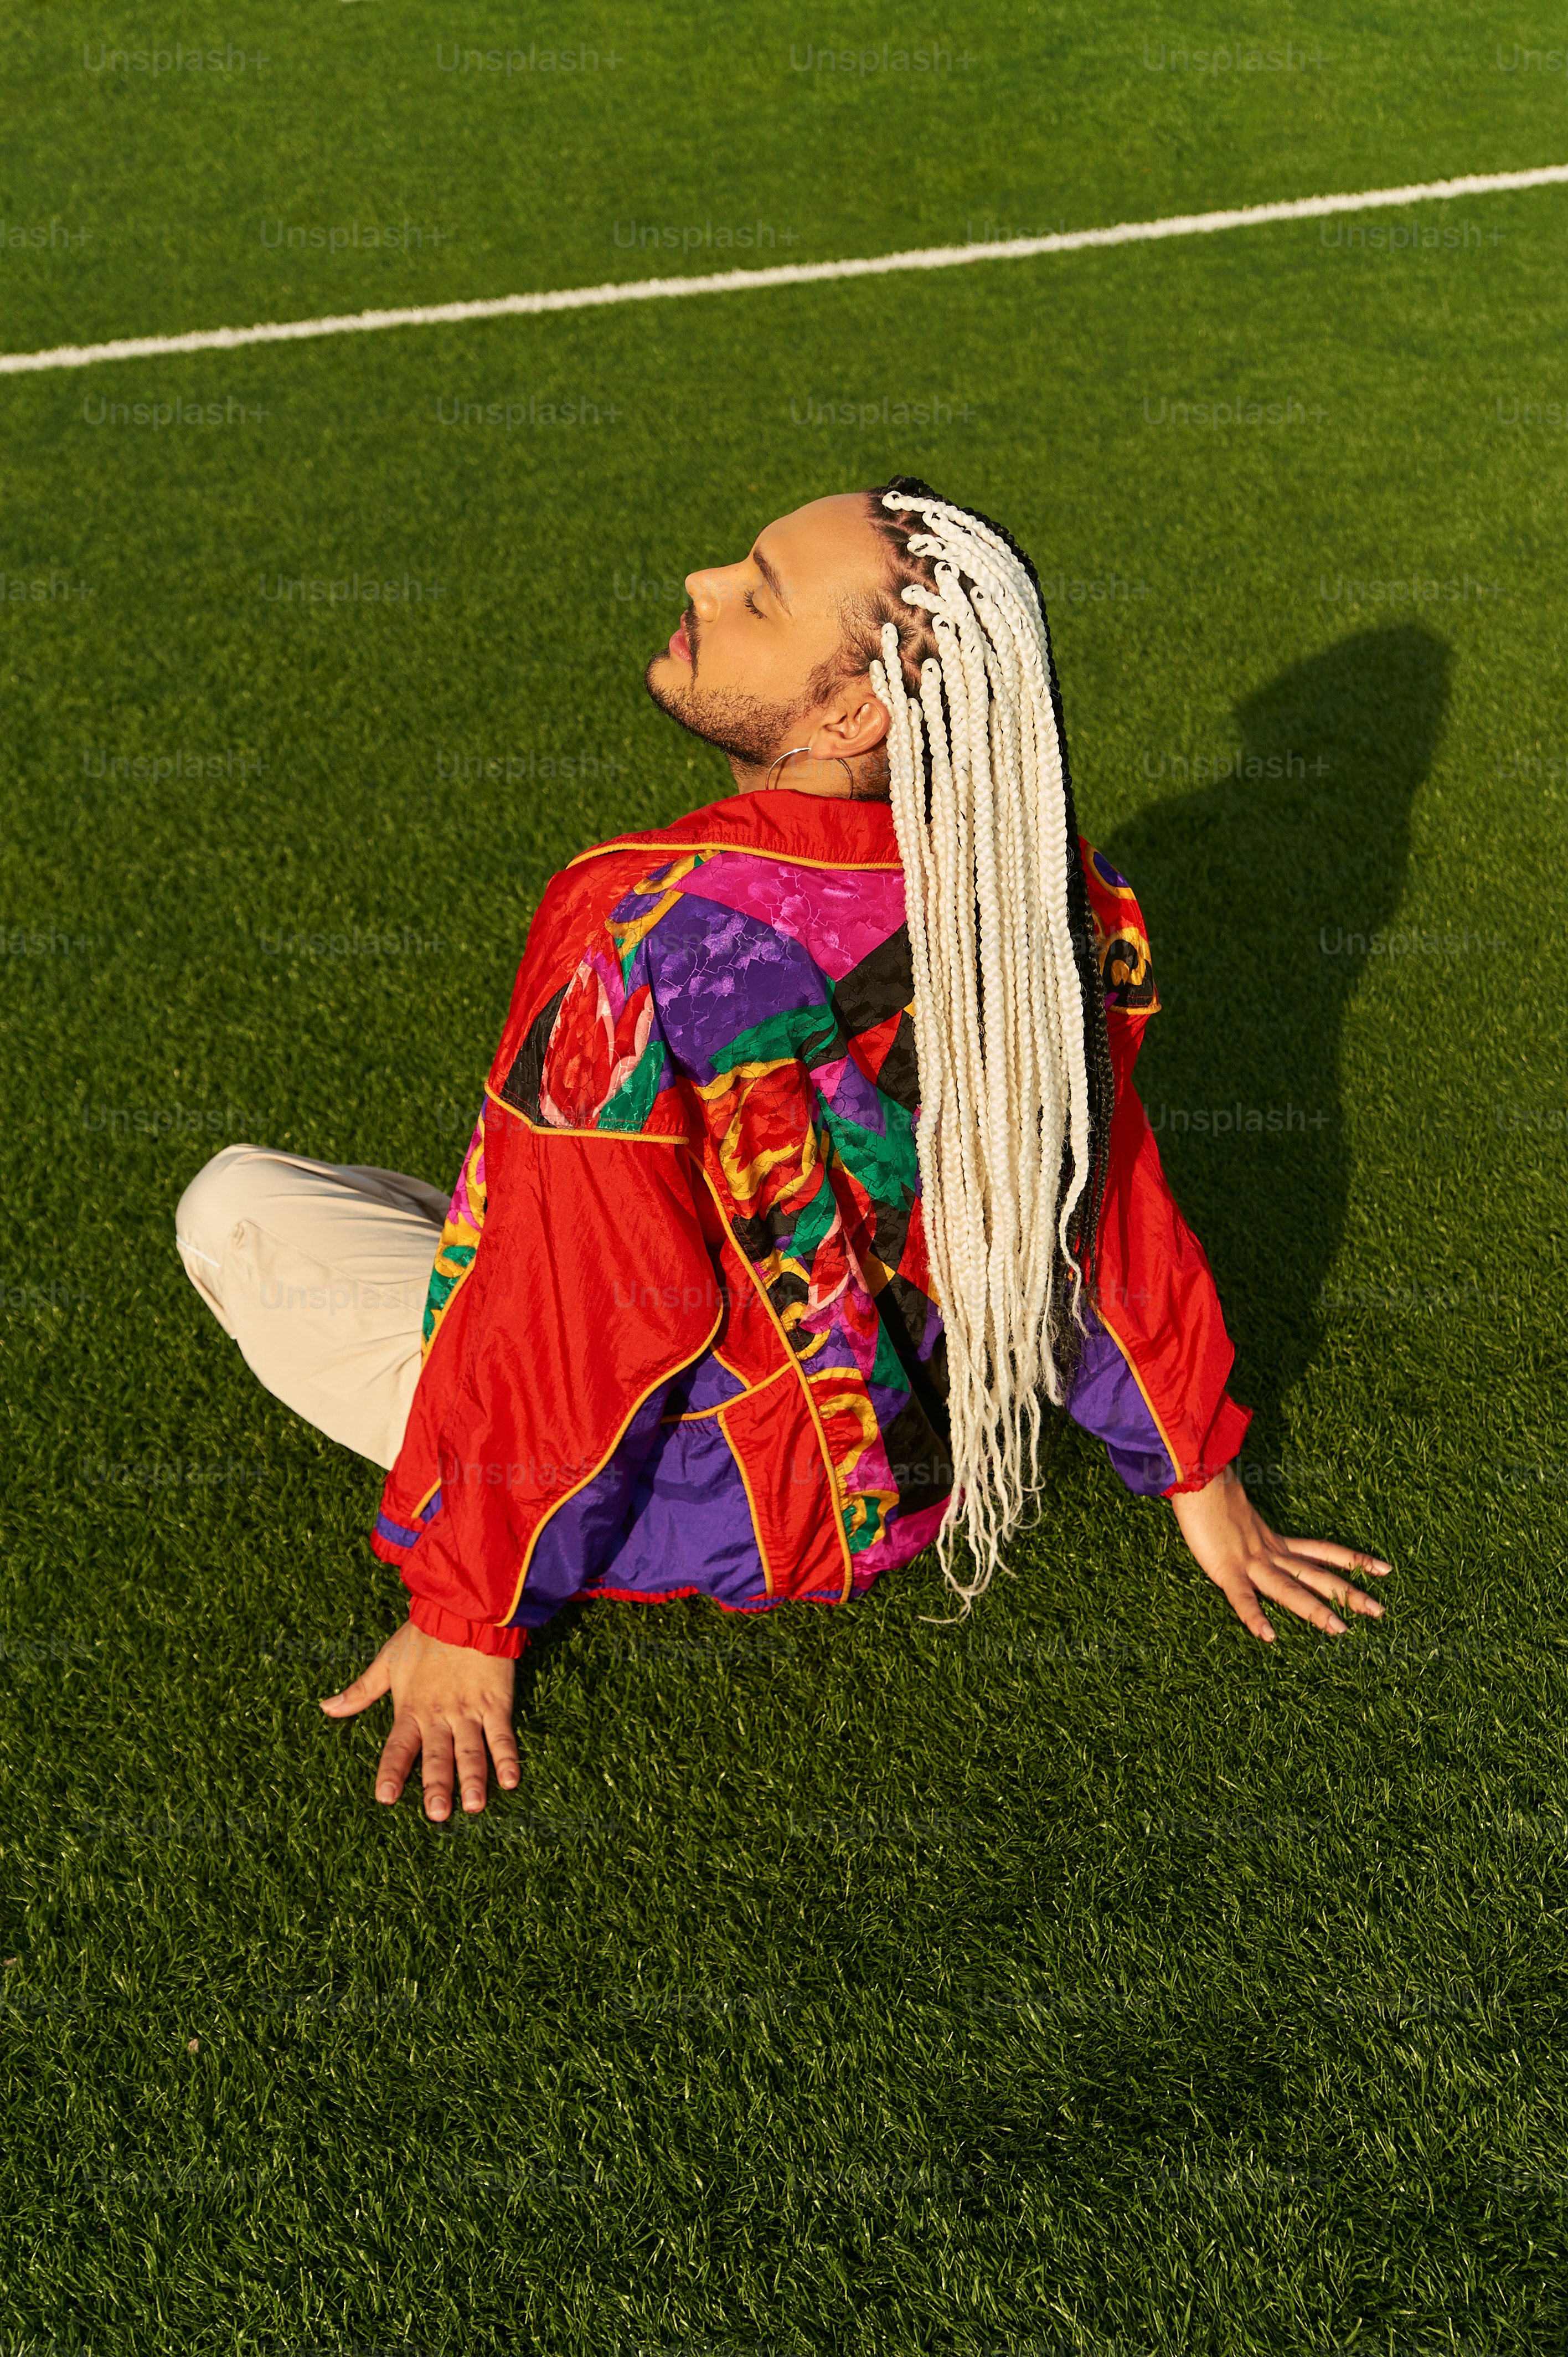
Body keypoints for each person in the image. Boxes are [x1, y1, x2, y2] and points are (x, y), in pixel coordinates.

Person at [175, 477, 1389, 1822]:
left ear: (852, 714)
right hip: (909, 1469)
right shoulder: (1041, 900)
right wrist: (1201, 1473)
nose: (703, 585)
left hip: (715, 1479)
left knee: (237, 1201)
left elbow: (593, 1308)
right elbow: (1092, 1207)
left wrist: (469, 1613)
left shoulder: (642, 921)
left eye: (757, 593)